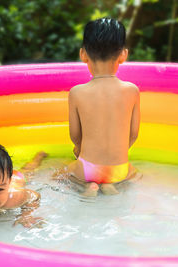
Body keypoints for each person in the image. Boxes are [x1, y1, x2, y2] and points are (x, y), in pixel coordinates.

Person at [67, 18, 141, 197]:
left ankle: (91, 186)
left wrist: (79, 151)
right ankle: (109, 184)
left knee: (63, 172)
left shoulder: (77, 92)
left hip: (87, 169)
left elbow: (75, 136)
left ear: (83, 54)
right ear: (123, 55)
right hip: (119, 170)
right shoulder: (132, 91)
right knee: (137, 175)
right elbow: (133, 134)